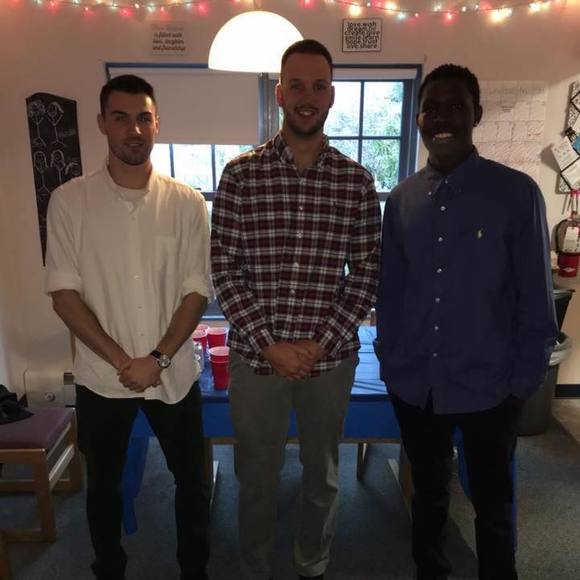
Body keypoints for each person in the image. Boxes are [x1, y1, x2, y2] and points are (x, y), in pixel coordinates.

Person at [375, 63, 558, 580]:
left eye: (455, 106)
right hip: (418, 387)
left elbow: (536, 301)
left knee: (493, 505)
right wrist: (392, 363)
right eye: (431, 107)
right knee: (428, 498)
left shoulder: (516, 194)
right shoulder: (403, 200)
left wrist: (521, 387)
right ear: (417, 118)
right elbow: (391, 292)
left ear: (477, 114)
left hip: (491, 389)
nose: (442, 117)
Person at [211, 39, 381, 580]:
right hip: (255, 359)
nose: (308, 96)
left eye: (319, 86)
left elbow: (367, 272)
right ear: (280, 93)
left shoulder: (356, 181)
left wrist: (317, 344)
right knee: (256, 476)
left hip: (327, 362)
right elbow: (224, 270)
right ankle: (256, 567)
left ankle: (313, 564)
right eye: (297, 85)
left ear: (331, 95)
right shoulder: (240, 175)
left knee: (322, 475)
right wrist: (270, 345)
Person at [45, 74, 212, 580]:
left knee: (193, 481)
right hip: (103, 377)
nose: (133, 129)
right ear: (102, 123)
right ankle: (109, 568)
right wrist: (124, 361)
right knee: (103, 485)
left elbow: (196, 290)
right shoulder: (69, 201)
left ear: (157, 123)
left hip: (173, 373)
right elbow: (64, 294)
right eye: (121, 117)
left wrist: (156, 359)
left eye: (143, 118)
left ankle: (194, 570)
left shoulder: (187, 202)